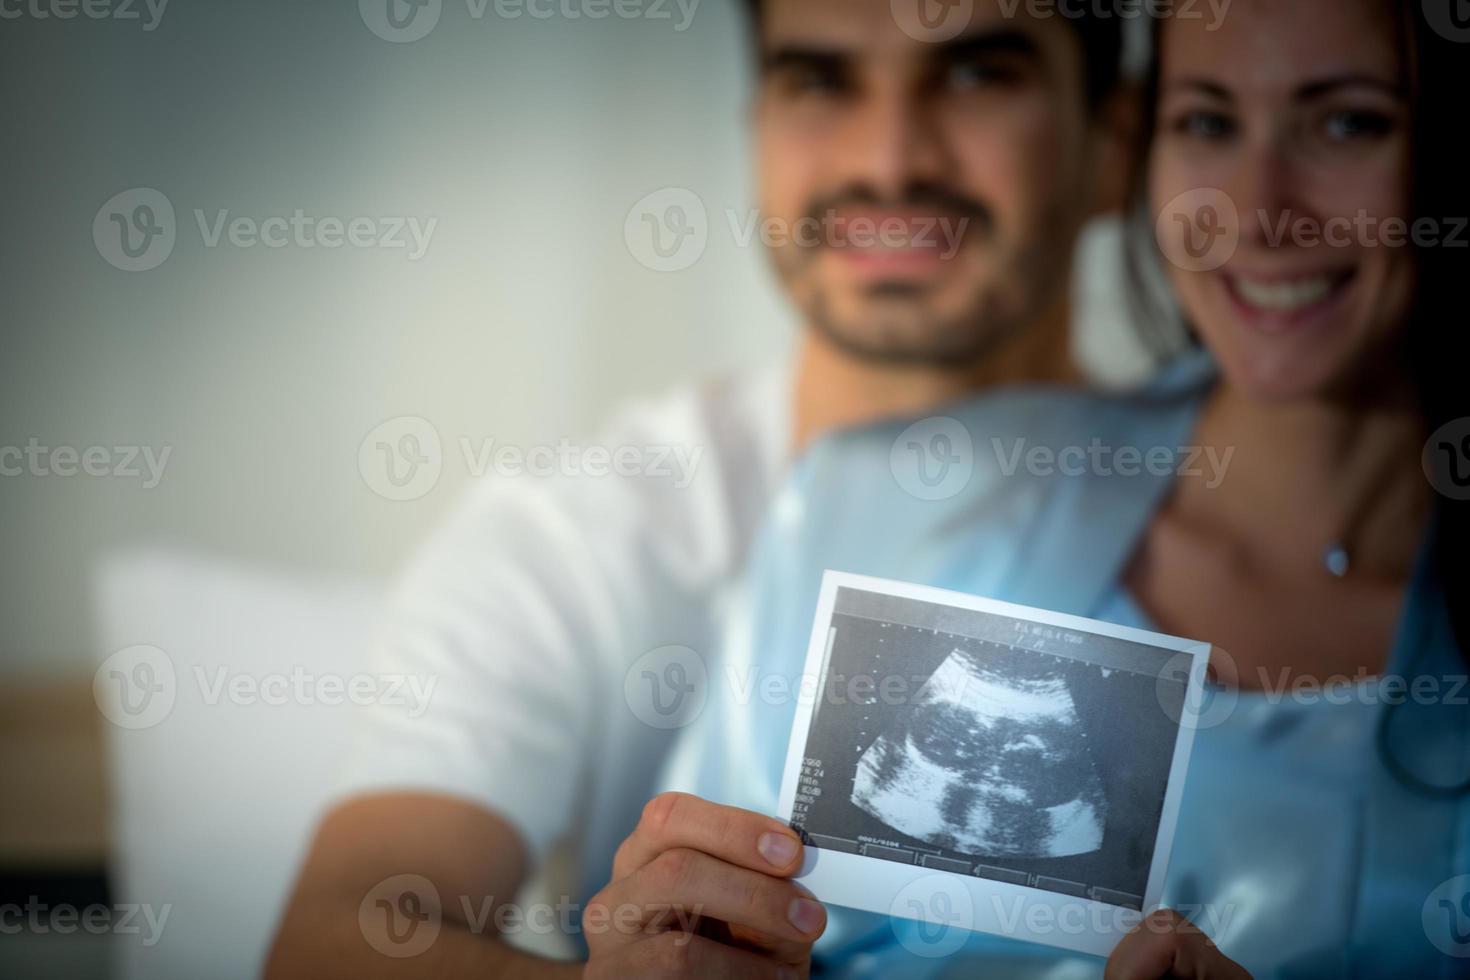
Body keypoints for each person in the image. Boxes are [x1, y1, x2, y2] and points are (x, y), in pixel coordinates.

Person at [264, 0, 1132, 976]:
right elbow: (332, 942)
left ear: (1117, 141)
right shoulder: (577, 537)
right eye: (820, 80)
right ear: (755, 129)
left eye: (978, 74)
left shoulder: (1251, 526)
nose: (890, 160)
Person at [670, 0, 1469, 975]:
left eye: (1348, 121)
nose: (1259, 209)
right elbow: (696, 930)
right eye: (1208, 122)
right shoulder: (879, 500)